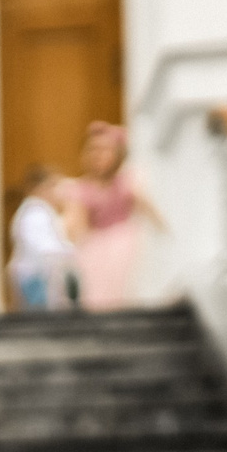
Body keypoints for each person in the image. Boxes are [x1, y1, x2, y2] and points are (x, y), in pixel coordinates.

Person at [72, 120, 166, 311]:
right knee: (95, 287)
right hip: (96, 245)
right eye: (93, 149)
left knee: (123, 282)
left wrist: (164, 234)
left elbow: (150, 212)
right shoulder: (81, 189)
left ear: (118, 155)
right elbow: (76, 225)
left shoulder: (126, 183)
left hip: (124, 240)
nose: (98, 155)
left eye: (105, 150)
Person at [9, 162, 79, 311]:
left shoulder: (42, 211)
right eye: (53, 186)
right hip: (35, 275)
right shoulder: (35, 212)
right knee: (38, 315)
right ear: (40, 188)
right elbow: (43, 246)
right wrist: (69, 252)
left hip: (40, 272)